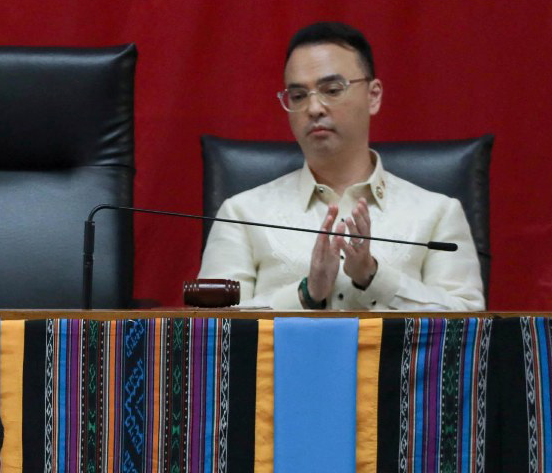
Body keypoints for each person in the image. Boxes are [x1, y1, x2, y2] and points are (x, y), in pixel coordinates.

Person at [197, 22, 484, 311]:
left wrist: (373, 276)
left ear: (373, 96)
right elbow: (213, 330)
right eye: (298, 96)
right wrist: (305, 295)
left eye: (332, 90)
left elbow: (470, 325)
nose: (314, 108)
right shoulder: (242, 214)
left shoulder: (438, 213)